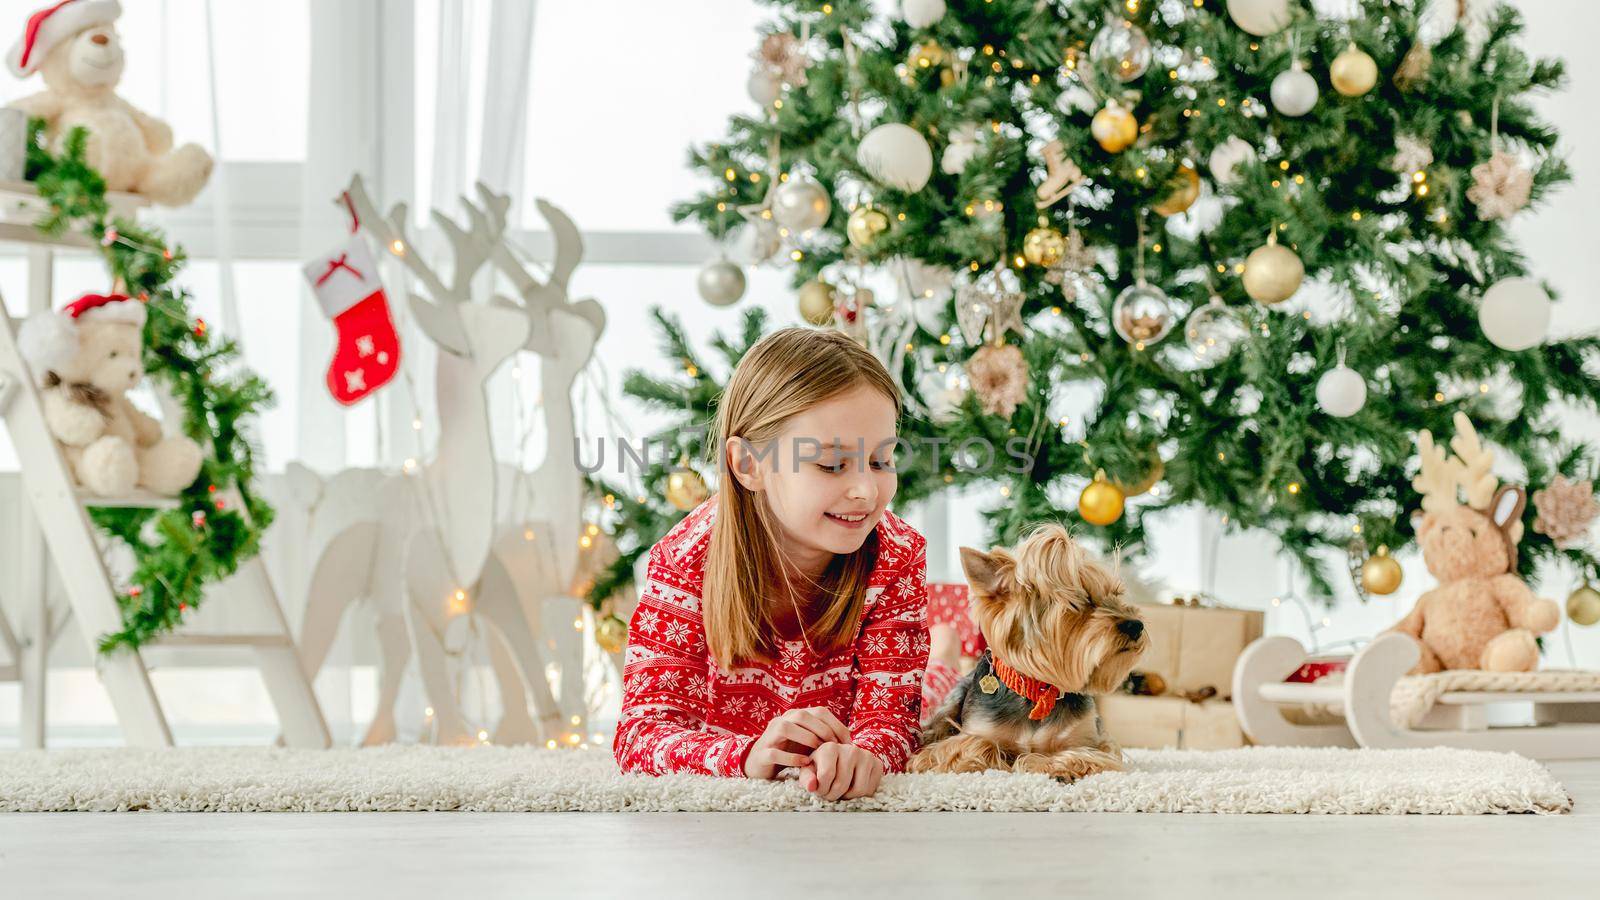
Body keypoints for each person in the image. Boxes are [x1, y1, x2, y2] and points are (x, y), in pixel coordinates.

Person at [612, 327, 959, 800]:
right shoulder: (685, 561)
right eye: (832, 465)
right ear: (749, 465)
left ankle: (943, 652)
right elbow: (640, 735)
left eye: (881, 461)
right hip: (739, 734)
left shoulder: (895, 556)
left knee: (936, 700)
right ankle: (941, 647)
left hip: (851, 706)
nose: (866, 490)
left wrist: (866, 754)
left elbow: (892, 724)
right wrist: (746, 755)